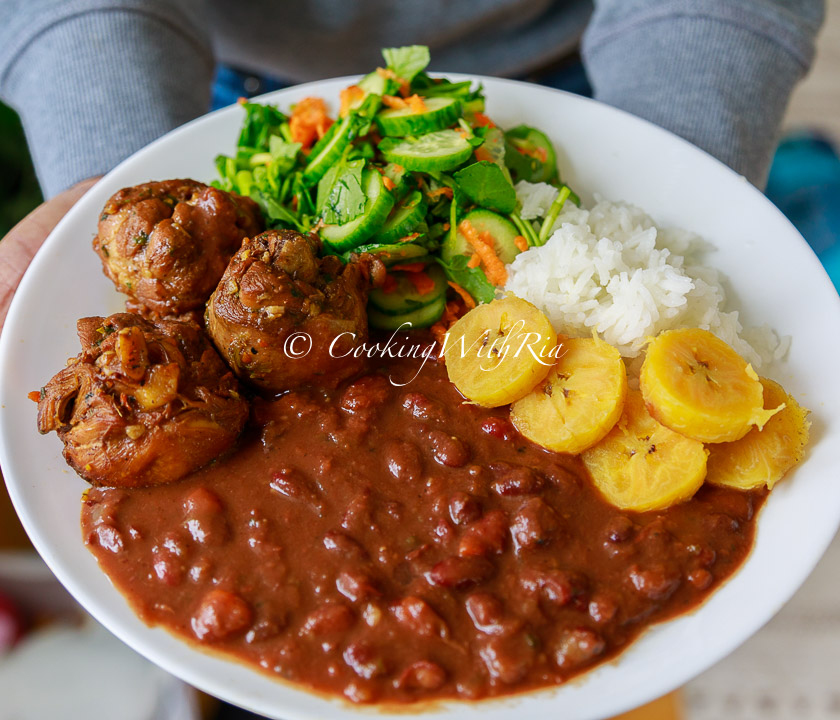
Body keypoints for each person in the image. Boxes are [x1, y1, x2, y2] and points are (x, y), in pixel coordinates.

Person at [0, 0, 825, 331]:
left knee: (766, 242)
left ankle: (798, 174)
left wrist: (683, 158)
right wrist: (110, 181)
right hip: (227, 83)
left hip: (590, 59)